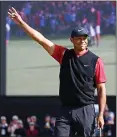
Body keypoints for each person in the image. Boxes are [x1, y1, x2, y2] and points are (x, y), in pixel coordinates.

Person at [8, 7, 107, 137]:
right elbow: (41, 40)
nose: (82, 40)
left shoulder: (96, 61)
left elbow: (101, 89)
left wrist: (100, 114)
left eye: (84, 38)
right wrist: (21, 22)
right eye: (79, 38)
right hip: (65, 109)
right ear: (71, 39)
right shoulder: (64, 54)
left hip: (86, 110)